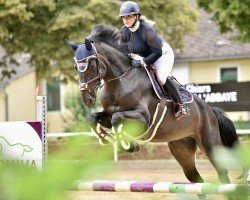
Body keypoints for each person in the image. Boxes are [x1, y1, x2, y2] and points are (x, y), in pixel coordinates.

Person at [119, 1, 189, 119]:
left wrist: (142, 62)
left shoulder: (147, 30)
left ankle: (181, 104)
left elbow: (157, 52)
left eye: (129, 16)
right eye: (123, 17)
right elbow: (123, 49)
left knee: (161, 78)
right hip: (143, 54)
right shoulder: (124, 31)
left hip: (161, 54)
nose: (126, 20)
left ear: (136, 16)